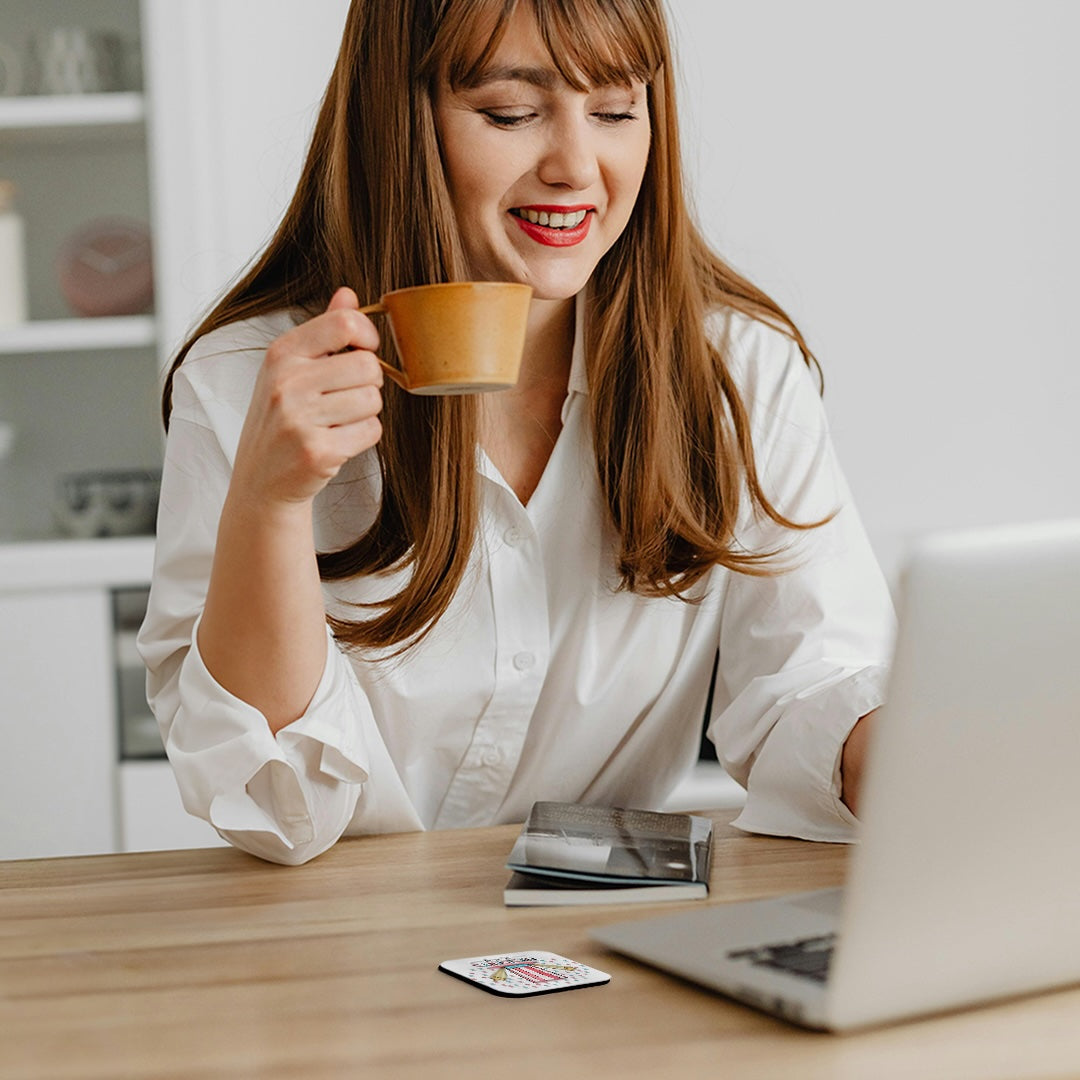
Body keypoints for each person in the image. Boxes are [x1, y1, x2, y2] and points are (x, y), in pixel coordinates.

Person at [138, 0, 895, 866]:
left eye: (615, 111)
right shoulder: (246, 383)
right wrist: (271, 503)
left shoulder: (737, 370)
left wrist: (922, 753)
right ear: (400, 121)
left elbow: (813, 685)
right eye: (510, 113)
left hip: (604, 917)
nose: (576, 166)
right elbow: (276, 807)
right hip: (340, 926)